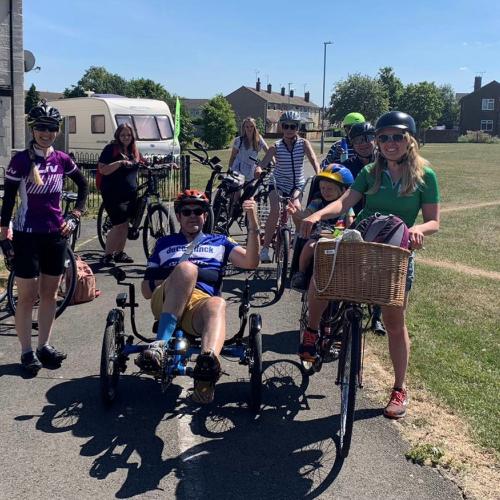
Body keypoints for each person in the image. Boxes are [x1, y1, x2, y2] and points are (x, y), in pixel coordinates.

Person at [301, 111, 440, 419]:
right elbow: (346, 201)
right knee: (322, 278)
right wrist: (318, 214)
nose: (390, 143)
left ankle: (399, 388)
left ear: (410, 140)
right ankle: (312, 330)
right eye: (384, 137)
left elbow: (433, 221)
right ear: (377, 141)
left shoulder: (425, 176)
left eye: (397, 136)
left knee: (393, 322)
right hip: (362, 245)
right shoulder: (370, 171)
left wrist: (419, 230)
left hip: (396, 252)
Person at [138, 189, 260, 404]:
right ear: (178, 216)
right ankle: (161, 345)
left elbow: (251, 262)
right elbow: (146, 291)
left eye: (199, 210)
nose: (193, 215)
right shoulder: (164, 243)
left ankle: (207, 369)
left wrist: (252, 222)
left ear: (206, 215)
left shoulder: (220, 241)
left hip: (199, 304)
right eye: (187, 211)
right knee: (187, 270)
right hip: (166, 298)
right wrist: (178, 275)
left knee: (218, 303)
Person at [0, 103, 88, 375]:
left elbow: (83, 186)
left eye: (51, 128)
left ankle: (44, 345)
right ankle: (27, 351)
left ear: (57, 131)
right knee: (27, 298)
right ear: (33, 129)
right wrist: (4, 236)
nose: (45, 133)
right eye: (40, 127)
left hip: (56, 235)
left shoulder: (62, 159)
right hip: (27, 236)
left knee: (49, 295)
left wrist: (74, 215)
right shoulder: (21, 161)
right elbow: (9, 201)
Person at [258, 110, 321, 263]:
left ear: (298, 128)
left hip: (296, 184)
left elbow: (313, 158)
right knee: (275, 210)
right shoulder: (276, 146)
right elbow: (263, 163)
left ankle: (298, 240)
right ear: (281, 127)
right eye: (286, 126)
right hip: (278, 183)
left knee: (297, 209)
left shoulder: (303, 143)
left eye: (293, 127)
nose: (289, 130)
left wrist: (319, 172)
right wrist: (258, 170)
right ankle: (265, 249)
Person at [342, 122, 386, 335]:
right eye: (358, 140)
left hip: (379, 220)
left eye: (367, 138)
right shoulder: (348, 165)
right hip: (352, 217)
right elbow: (344, 196)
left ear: (375, 139)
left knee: (380, 268)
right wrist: (348, 211)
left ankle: (377, 316)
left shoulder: (386, 164)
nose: (363, 144)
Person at [288, 164, 355, 292]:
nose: (325, 191)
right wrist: (295, 213)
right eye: (322, 187)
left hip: (338, 236)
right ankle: (301, 273)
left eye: (330, 189)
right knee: (310, 246)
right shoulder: (318, 202)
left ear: (343, 191)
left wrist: (350, 229)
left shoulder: (346, 206)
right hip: (320, 234)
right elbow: (306, 215)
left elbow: (350, 221)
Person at [97, 123, 142, 264]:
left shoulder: (134, 151)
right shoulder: (111, 149)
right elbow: (102, 169)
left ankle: (119, 253)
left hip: (130, 194)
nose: (126, 137)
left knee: (125, 224)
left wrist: (166, 164)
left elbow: (144, 165)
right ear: (118, 136)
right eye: (123, 135)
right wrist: (120, 163)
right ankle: (108, 255)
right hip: (113, 193)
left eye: (128, 135)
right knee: (118, 225)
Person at [228, 117, 269, 181]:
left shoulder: (259, 138)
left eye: (251, 126)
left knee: (249, 190)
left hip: (251, 171)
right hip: (238, 169)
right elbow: (233, 156)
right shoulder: (239, 140)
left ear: (254, 127)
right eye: (247, 127)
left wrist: (275, 162)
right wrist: (229, 169)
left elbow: (268, 151)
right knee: (237, 189)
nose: (249, 128)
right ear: (244, 128)